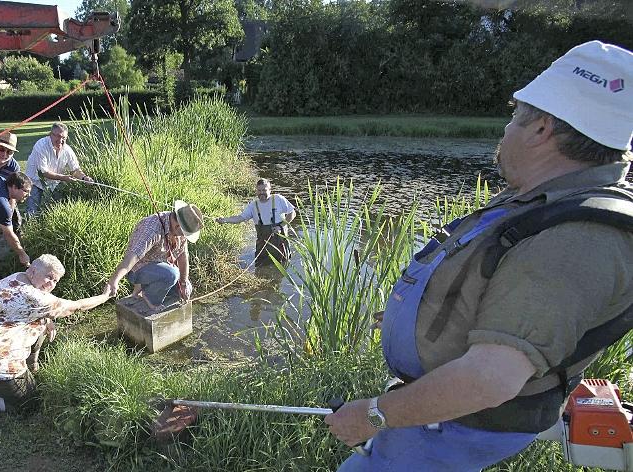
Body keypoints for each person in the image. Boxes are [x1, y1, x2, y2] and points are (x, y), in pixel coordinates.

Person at [324, 41, 633, 471]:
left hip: (456, 427)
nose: (505, 130)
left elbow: (489, 378)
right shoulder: (545, 200)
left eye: (513, 117)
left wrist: (374, 414)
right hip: (436, 418)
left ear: (542, 129)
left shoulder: (578, 239)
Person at [0, 254, 110, 415]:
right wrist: (104, 297)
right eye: (49, 277)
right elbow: (77, 306)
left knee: (42, 322)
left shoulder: (17, 277)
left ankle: (31, 367)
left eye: (55, 281)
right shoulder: (35, 297)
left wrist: (47, 318)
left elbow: (32, 310)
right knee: (29, 403)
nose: (51, 284)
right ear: (32, 271)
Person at [106, 201, 204, 312]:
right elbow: (131, 258)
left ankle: (149, 288)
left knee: (184, 290)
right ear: (177, 226)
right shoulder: (152, 229)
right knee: (171, 274)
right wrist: (114, 280)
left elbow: (183, 255)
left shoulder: (180, 229)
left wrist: (183, 282)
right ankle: (149, 296)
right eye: (184, 233)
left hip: (161, 266)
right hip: (138, 269)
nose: (183, 236)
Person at [215, 178, 296, 265]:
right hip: (262, 244)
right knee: (260, 265)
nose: (261, 193)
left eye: (264, 190)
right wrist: (225, 220)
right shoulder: (253, 205)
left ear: (270, 190)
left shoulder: (278, 199)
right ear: (256, 191)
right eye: (259, 190)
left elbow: (292, 213)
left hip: (280, 243)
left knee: (283, 265)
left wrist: (281, 226)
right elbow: (240, 218)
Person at [24, 122, 93, 216]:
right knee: (32, 211)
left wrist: (85, 178)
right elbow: (44, 172)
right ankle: (28, 227)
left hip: (54, 183)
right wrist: (64, 178)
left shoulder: (67, 150)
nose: (60, 140)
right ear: (50, 135)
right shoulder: (41, 145)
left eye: (63, 138)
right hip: (34, 181)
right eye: (58, 136)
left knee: (54, 211)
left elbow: (75, 170)